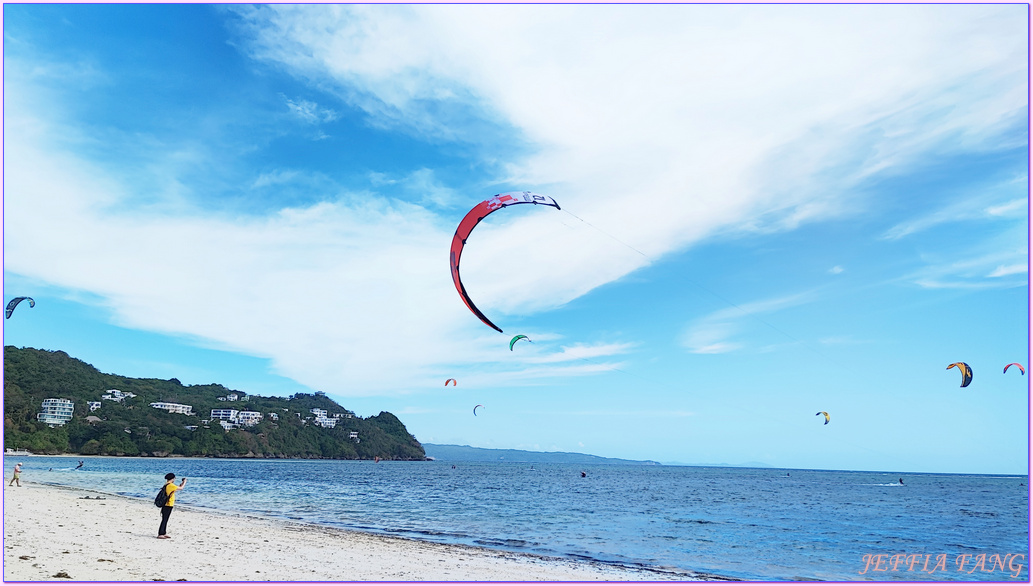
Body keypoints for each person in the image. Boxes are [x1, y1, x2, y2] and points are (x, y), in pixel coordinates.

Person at [157, 473, 187, 539]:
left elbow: (177, 488)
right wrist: (185, 482)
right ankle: (161, 533)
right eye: (174, 478)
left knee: (165, 519)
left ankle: (163, 532)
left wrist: (181, 483)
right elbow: (181, 488)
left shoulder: (167, 484)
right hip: (168, 504)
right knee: (165, 519)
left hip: (166, 504)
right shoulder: (170, 485)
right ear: (172, 478)